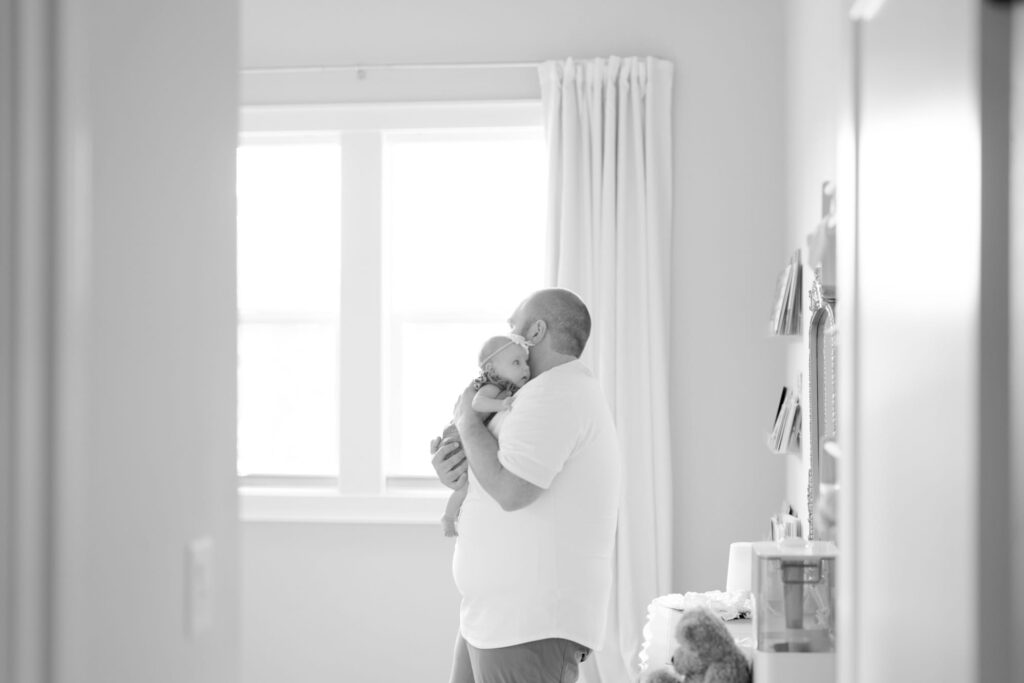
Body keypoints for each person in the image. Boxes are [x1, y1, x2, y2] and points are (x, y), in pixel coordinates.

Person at [430, 288, 622, 683]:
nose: (509, 337)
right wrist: (454, 469)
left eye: (514, 327)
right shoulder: (533, 395)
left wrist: (466, 420)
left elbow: (512, 491)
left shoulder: (558, 392)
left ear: (535, 332)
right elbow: (492, 472)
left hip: (530, 625)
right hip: (493, 618)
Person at [440, 335, 532, 537]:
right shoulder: (492, 386)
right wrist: (502, 405)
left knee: (468, 484)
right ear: (491, 370)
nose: (525, 368)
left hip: (462, 436)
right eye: (516, 362)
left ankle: (450, 516)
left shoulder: (506, 386)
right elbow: (477, 404)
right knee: (465, 484)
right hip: (457, 438)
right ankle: (448, 517)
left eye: (525, 362)